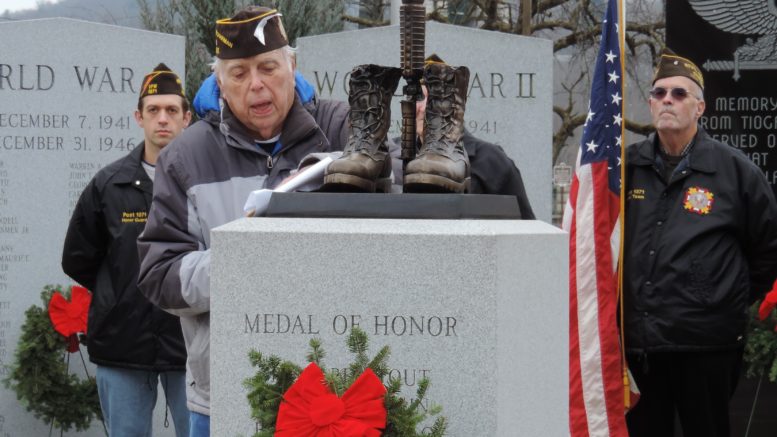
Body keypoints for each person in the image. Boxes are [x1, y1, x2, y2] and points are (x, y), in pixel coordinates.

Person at [136, 7, 349, 436]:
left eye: (268, 67)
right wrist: (247, 260)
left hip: (337, 389)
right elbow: (159, 275)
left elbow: (400, 203)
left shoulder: (342, 130)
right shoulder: (185, 156)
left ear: (291, 66)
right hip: (225, 396)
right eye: (238, 74)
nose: (255, 84)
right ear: (219, 83)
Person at [623, 48, 777, 437]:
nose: (667, 101)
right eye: (659, 94)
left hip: (706, 345)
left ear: (700, 107)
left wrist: (722, 296)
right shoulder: (627, 167)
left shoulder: (735, 171)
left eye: (679, 94)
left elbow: (768, 249)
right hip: (640, 346)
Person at [62, 63, 192, 437]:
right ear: (139, 117)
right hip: (123, 341)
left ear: (187, 117)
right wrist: (119, 291)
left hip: (189, 342)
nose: (162, 119)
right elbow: (78, 258)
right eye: (153, 110)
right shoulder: (109, 184)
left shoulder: (202, 181)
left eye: (171, 110)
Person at [391, 54, 535, 218]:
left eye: (432, 100)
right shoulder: (391, 156)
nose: (420, 108)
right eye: (417, 98)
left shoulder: (491, 160)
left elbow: (524, 227)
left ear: (453, 105)